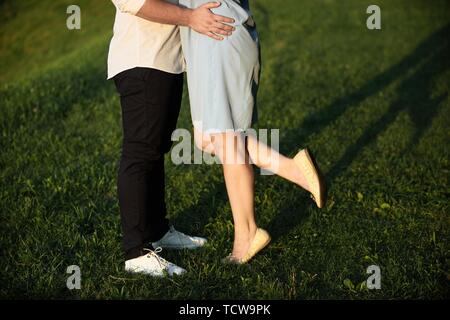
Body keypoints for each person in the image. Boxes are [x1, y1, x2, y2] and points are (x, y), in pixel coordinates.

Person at [179, 0, 327, 263]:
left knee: (227, 141)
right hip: (207, 37)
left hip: (217, 35)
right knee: (205, 138)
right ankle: (294, 169)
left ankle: (247, 234)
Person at [108, 0, 236, 277]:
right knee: (140, 153)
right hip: (142, 61)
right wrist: (190, 17)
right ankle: (136, 252)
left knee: (155, 150)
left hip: (167, 63)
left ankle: (157, 231)